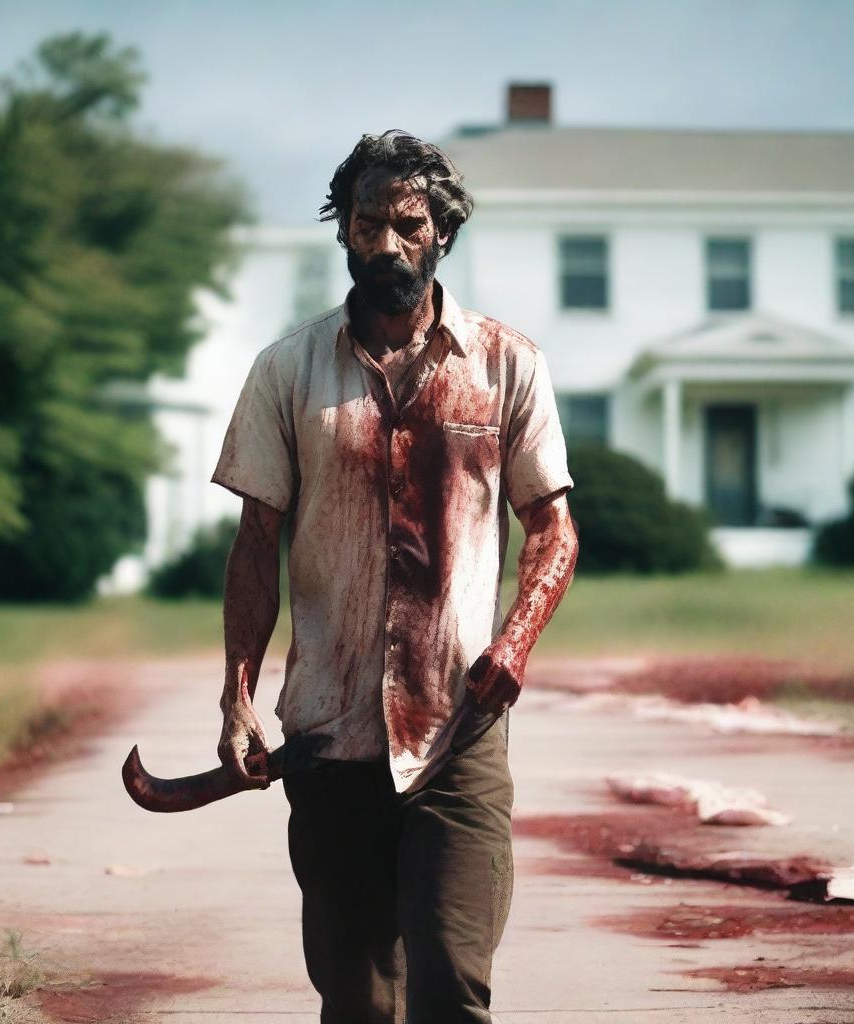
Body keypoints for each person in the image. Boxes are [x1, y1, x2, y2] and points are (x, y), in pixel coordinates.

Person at [211, 129, 579, 1024]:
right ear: (342, 232)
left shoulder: (506, 365)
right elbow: (257, 543)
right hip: (330, 740)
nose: (385, 245)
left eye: (407, 225)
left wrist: (516, 643)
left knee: (453, 985)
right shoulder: (286, 372)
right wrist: (237, 696)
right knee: (359, 1002)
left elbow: (554, 529)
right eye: (367, 223)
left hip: (456, 731)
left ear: (441, 234)